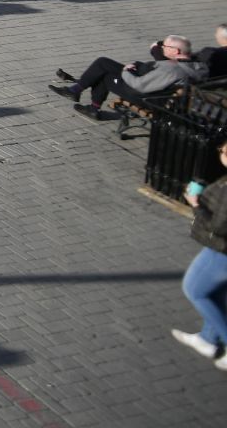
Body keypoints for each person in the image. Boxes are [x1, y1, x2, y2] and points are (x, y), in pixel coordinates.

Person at [171, 137, 227, 371]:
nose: (221, 153)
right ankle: (207, 339)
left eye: (224, 151)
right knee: (218, 294)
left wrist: (195, 204)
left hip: (221, 250)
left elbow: (220, 226)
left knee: (194, 289)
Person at [51, 35, 205, 116]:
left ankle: (90, 104)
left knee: (105, 74)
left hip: (147, 98)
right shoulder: (199, 66)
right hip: (166, 95)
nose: (162, 48)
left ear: (176, 51)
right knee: (103, 62)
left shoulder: (171, 70)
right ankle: (76, 92)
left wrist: (127, 72)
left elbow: (139, 86)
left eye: (165, 46)